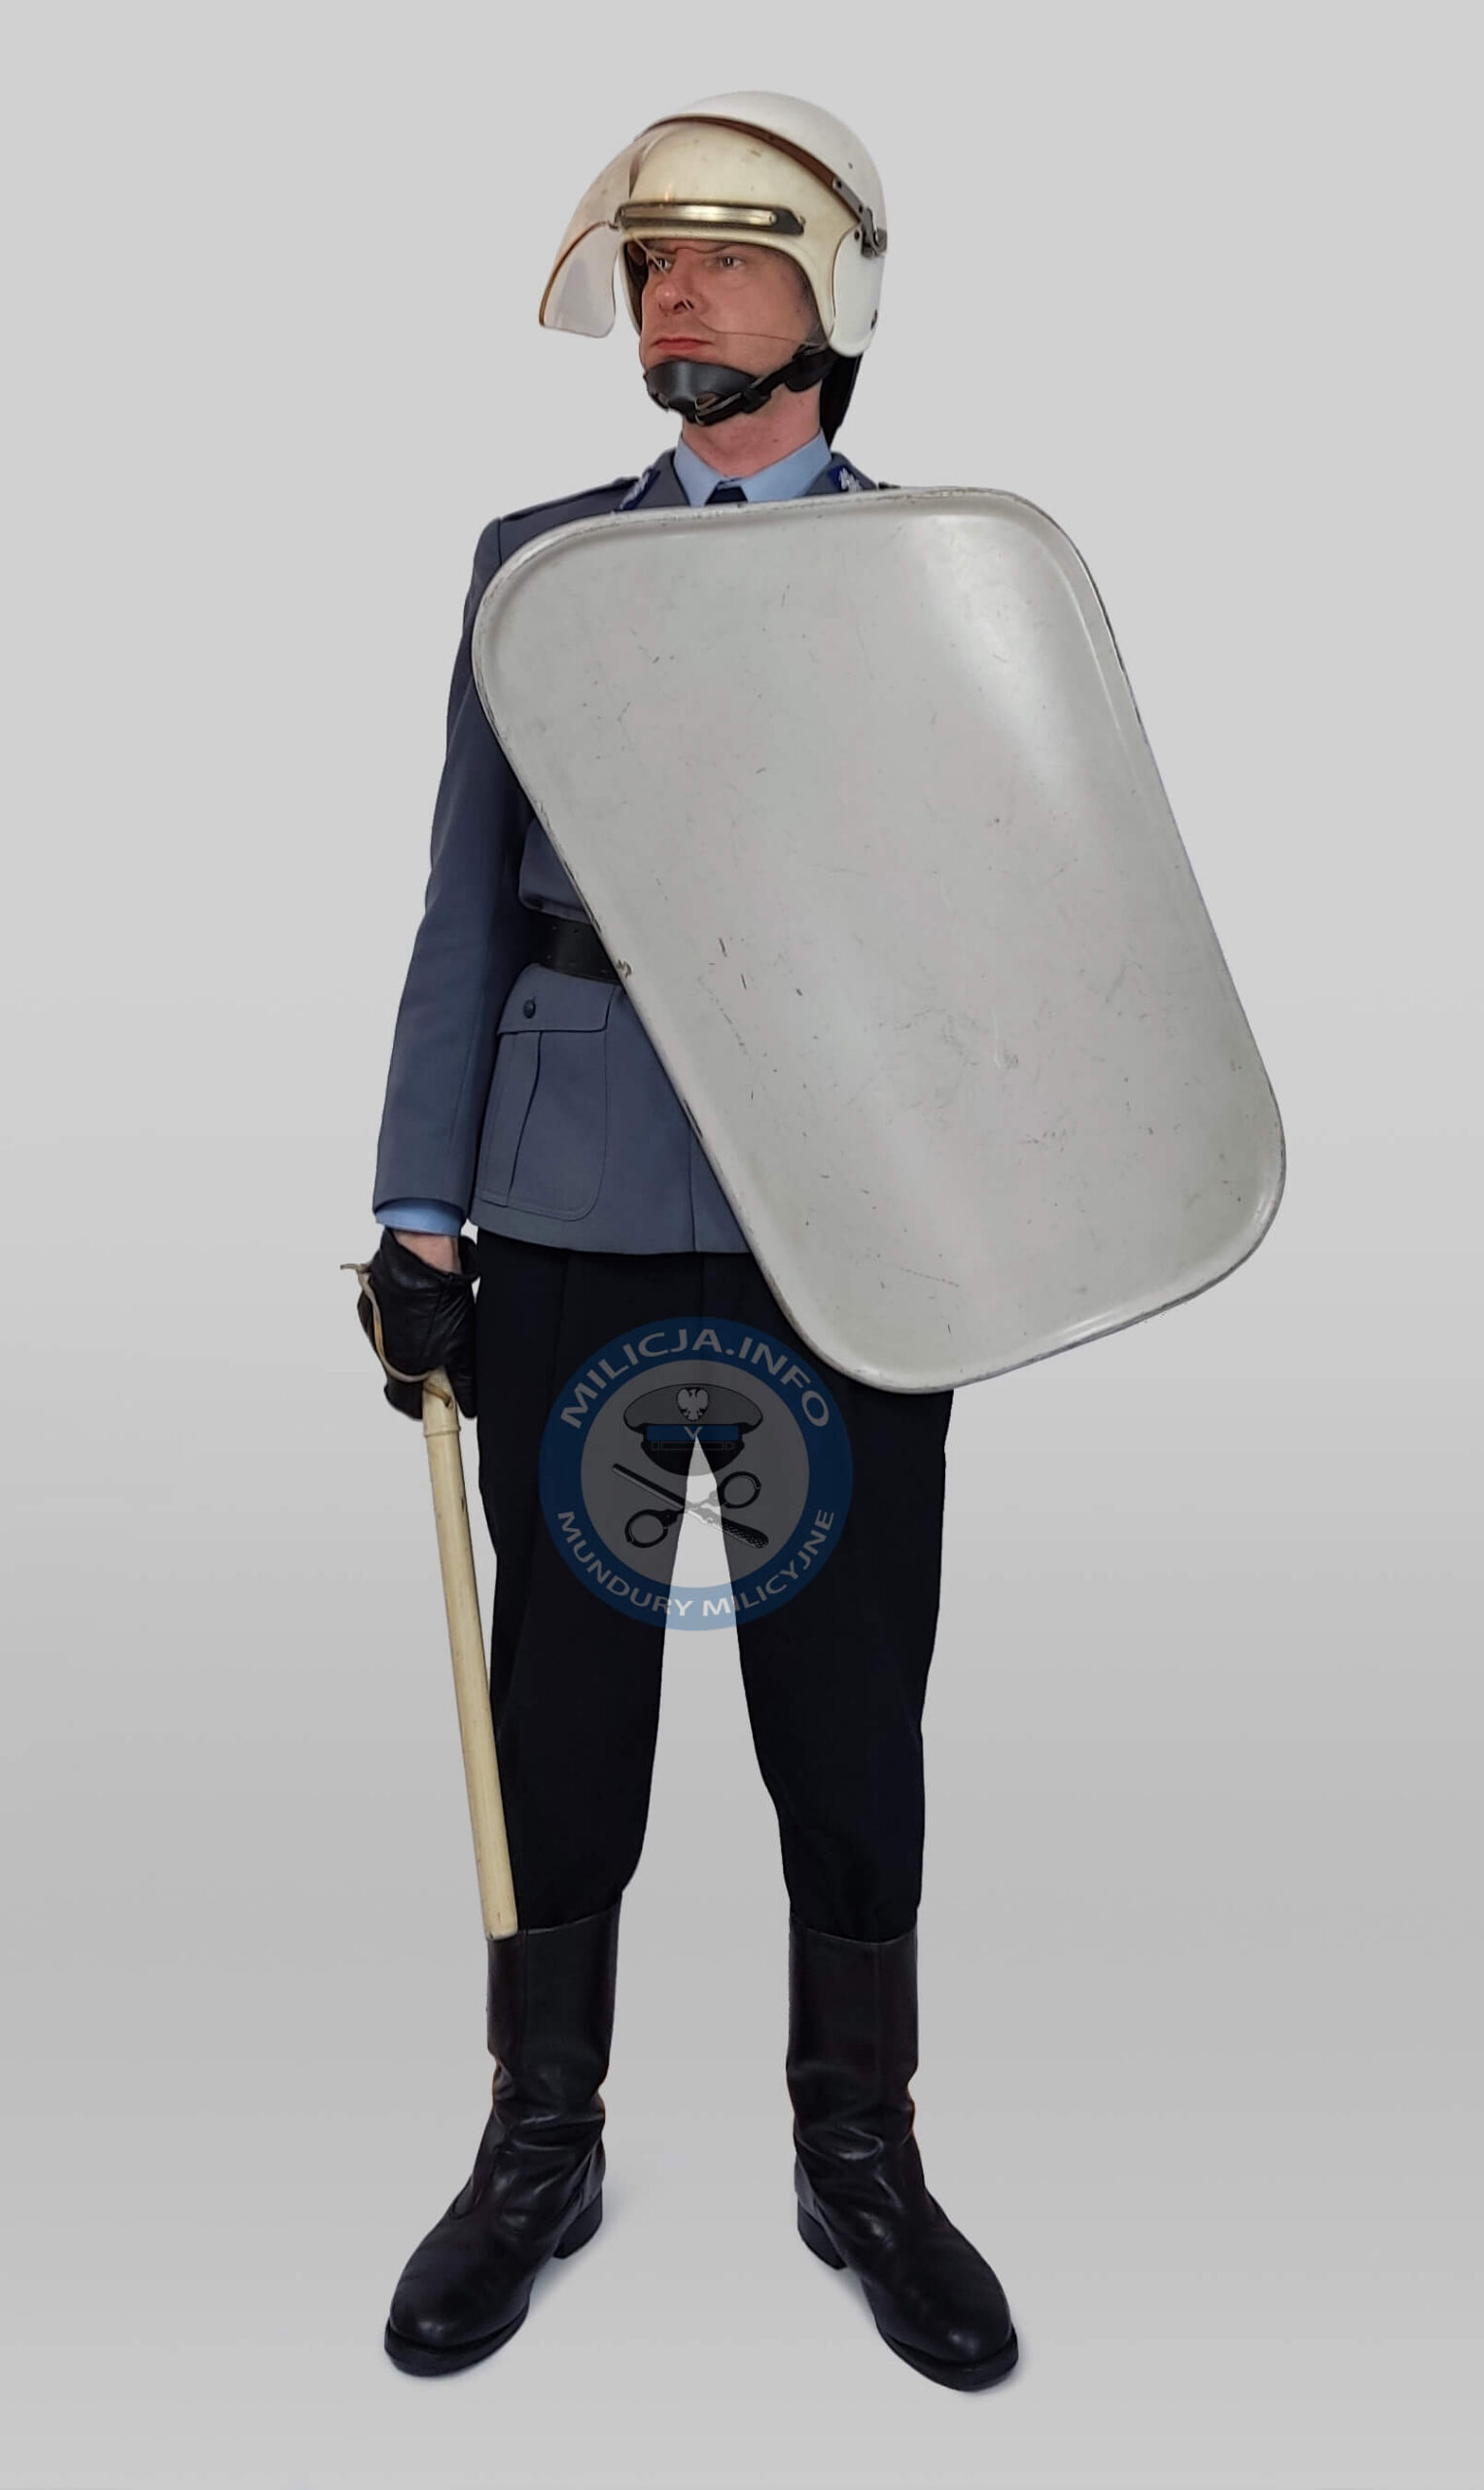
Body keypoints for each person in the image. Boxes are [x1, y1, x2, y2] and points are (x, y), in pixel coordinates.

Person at [359, 91, 1020, 2393]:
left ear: (828, 296)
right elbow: (465, 900)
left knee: (844, 1692)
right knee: (565, 1691)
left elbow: (1018, 926)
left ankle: (862, 2143)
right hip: (570, 1198)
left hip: (854, 1220)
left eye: (722, 256)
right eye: (651, 260)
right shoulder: (536, 563)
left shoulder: (940, 570)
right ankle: (540, 2131)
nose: (673, 294)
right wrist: (418, 1203)